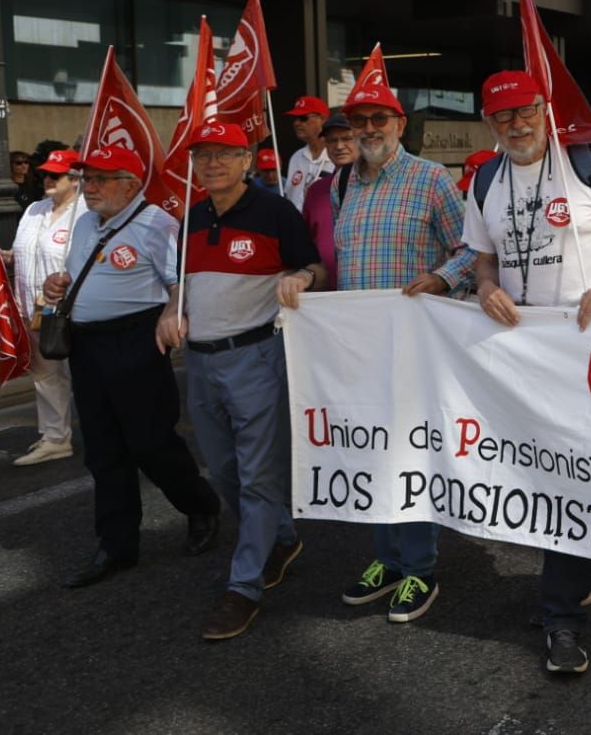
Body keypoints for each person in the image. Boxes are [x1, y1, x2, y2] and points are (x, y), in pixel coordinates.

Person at [463, 70, 591, 675]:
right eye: (503, 117)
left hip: (587, 350)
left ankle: (561, 618)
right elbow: (483, 258)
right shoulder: (486, 178)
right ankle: (577, 577)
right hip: (524, 354)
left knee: (568, 476)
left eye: (525, 112)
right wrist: (486, 286)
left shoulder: (587, 161)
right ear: (490, 124)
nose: (517, 125)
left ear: (544, 109)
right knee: (546, 474)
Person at [156, 122, 323, 640]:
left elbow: (312, 264)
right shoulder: (192, 218)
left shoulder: (275, 211)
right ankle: (282, 536)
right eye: (203, 155)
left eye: (225, 154)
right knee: (223, 467)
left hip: (255, 357)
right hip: (201, 364)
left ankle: (242, 587)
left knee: (257, 476)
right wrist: (170, 309)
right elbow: (182, 285)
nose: (212, 164)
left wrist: (302, 277)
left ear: (247, 159)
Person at [329, 81, 478, 623]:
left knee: (409, 454)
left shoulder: (431, 179)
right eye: (359, 120)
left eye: (379, 120)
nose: (369, 129)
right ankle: (386, 559)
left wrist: (441, 277)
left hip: (415, 349)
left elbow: (470, 252)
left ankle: (419, 568)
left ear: (400, 125)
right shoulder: (343, 183)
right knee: (369, 452)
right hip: (359, 351)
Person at [40, 146, 221, 589]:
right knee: (103, 449)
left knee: (150, 442)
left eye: (102, 179)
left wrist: (170, 312)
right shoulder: (84, 223)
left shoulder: (157, 224)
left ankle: (200, 505)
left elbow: (180, 282)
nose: (91, 187)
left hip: (135, 341)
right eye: (87, 178)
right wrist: (55, 285)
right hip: (88, 345)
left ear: (131, 184)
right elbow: (79, 276)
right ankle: (116, 545)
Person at [7, 148, 86, 465]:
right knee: (45, 375)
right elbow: (22, 252)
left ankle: (111, 434)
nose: (47, 180)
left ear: (75, 179)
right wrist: (0, 255)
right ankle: (55, 437)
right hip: (35, 310)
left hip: (73, 312)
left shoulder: (85, 214)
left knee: (85, 377)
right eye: (45, 175)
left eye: (56, 175)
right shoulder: (34, 210)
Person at [301, 113, 358, 289]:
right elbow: (307, 245)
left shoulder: (378, 186)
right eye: (332, 140)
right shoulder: (316, 191)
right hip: (326, 297)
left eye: (347, 139)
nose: (339, 146)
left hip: (369, 295)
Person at [282, 95, 335, 210]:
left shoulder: (337, 154)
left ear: (323, 119)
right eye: (294, 119)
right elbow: (290, 196)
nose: (296, 123)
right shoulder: (296, 157)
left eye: (303, 118)